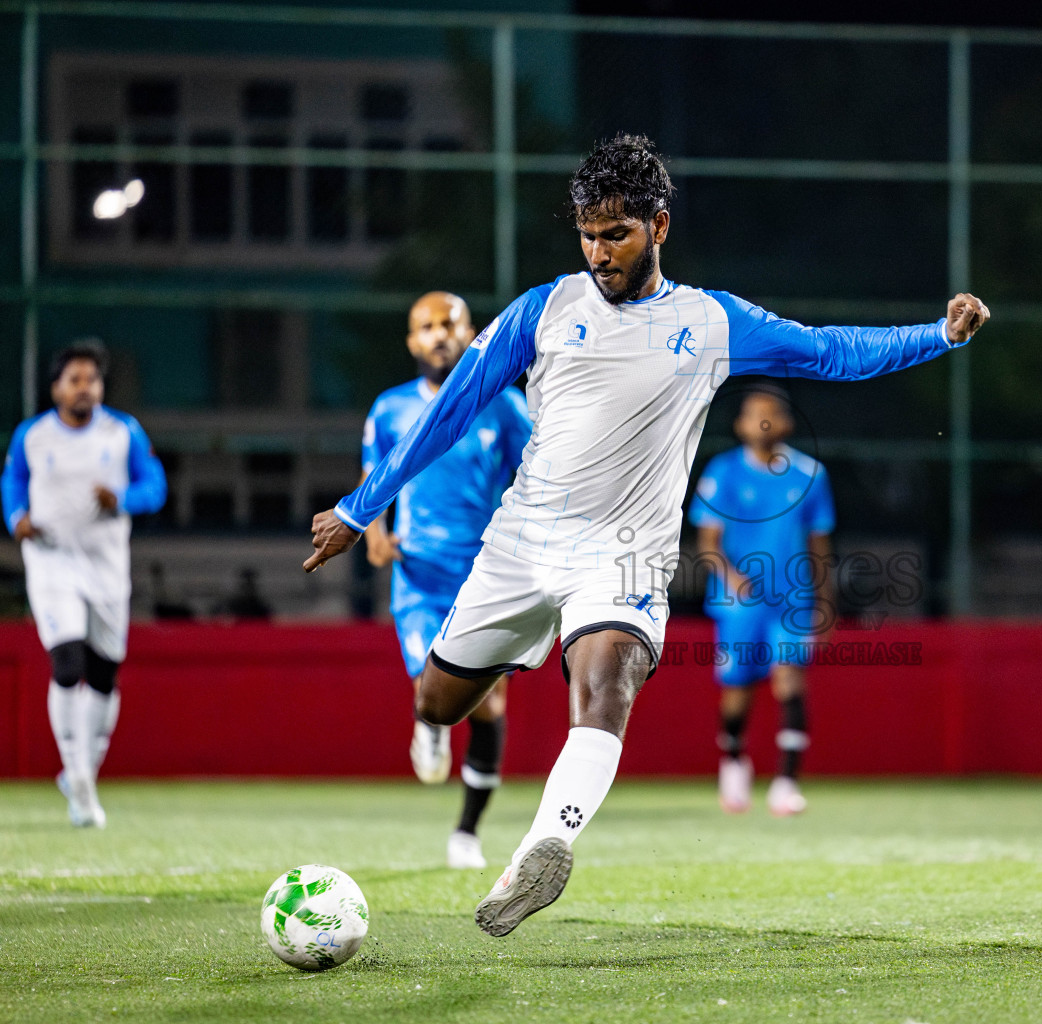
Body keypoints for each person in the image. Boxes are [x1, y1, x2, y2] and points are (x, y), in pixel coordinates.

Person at [304, 134, 989, 938]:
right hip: (521, 545)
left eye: (617, 234)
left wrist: (938, 335)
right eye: (588, 235)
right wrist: (359, 509)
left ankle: (541, 849)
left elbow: (830, 352)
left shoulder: (710, 321)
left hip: (622, 556)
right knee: (438, 701)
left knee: (607, 684)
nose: (599, 252)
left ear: (659, 226)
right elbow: (449, 411)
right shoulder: (542, 310)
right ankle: (457, 716)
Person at [359, 291, 533, 869]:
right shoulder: (390, 409)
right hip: (420, 574)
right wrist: (376, 531)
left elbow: (535, 476)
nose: (438, 334)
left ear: (470, 333)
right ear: (413, 341)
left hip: (487, 576)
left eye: (449, 323)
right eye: (427, 326)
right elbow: (374, 475)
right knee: (430, 684)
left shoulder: (504, 406)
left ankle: (467, 833)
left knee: (488, 707)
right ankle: (428, 722)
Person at [2, 340, 167, 828]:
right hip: (51, 559)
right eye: (74, 379)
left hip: (106, 565)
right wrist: (17, 517)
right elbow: (13, 482)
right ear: (56, 387)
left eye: (91, 379)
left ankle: (83, 772)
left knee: (103, 673)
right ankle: (78, 777)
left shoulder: (123, 431)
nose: (84, 388)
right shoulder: (33, 435)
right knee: (68, 660)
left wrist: (122, 498)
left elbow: (155, 486)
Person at [689, 385, 836, 816]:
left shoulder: (810, 474)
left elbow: (820, 546)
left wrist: (827, 603)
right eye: (755, 414)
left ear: (787, 423)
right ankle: (734, 764)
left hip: (793, 602)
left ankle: (786, 784)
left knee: (790, 682)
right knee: (737, 690)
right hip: (739, 606)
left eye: (771, 414)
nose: (763, 421)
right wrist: (730, 576)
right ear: (740, 424)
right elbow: (708, 542)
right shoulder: (723, 472)